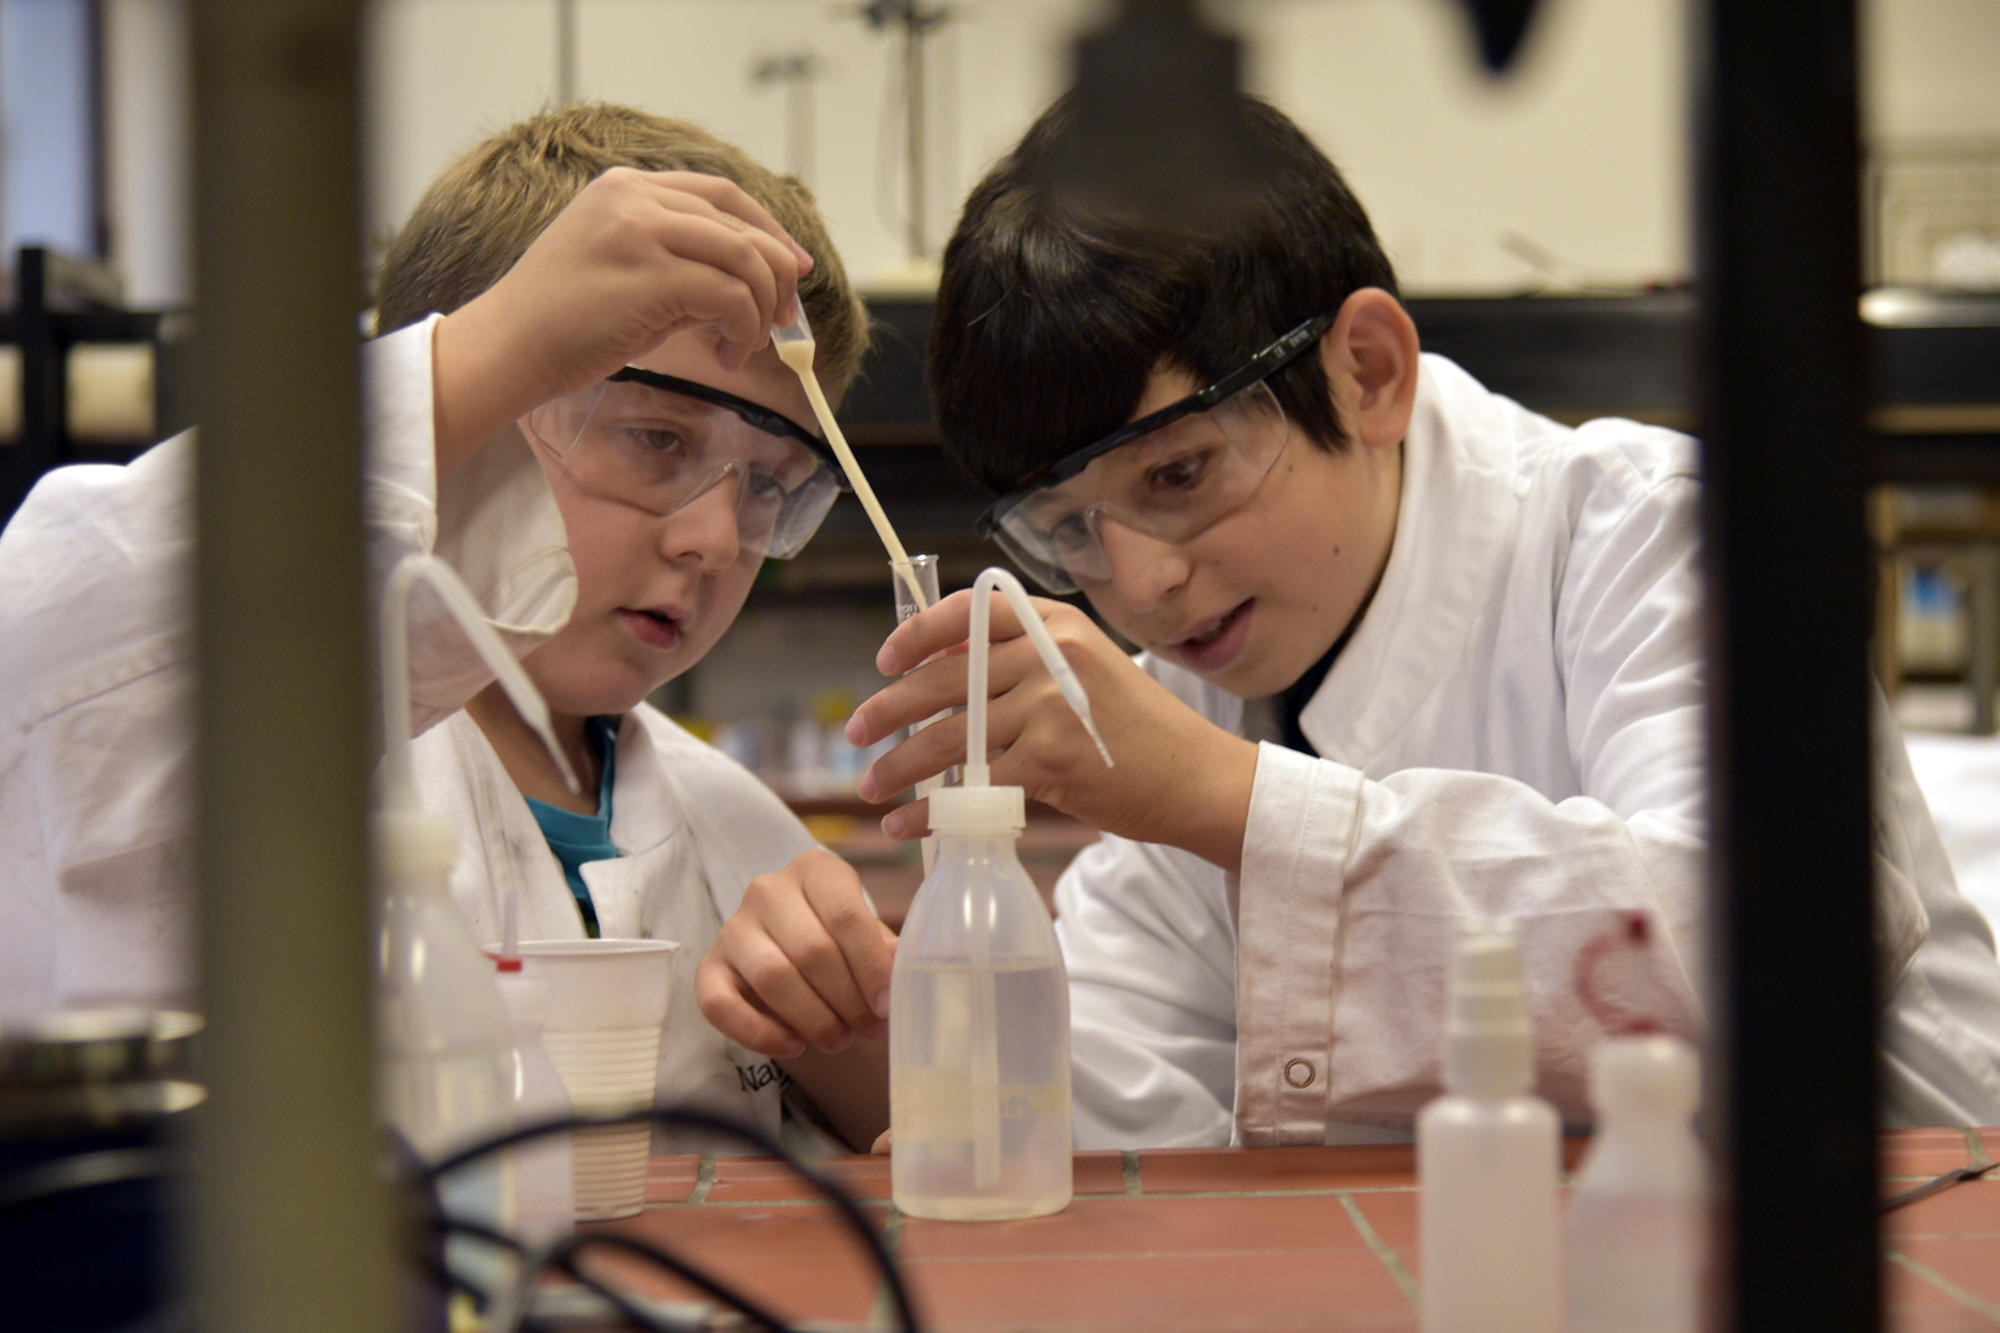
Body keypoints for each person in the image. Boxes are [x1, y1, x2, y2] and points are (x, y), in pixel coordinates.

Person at [698, 93, 2000, 1145]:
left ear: (1366, 371)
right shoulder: (1206, 697)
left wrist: (1224, 797)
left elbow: (1780, 943)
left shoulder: (1651, 531)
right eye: (1070, 530)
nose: (1141, 581)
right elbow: (1115, 1096)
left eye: (1181, 474)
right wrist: (879, 1014)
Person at [0, 103, 889, 1152]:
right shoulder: (268, 753)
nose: (711, 537)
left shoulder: (731, 825)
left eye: (771, 486)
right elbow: (58, 627)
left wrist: (855, 1040)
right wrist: (490, 350)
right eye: (656, 438)